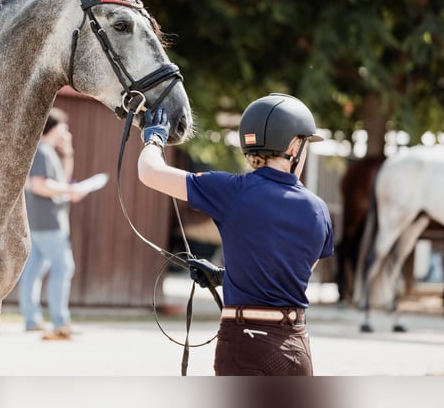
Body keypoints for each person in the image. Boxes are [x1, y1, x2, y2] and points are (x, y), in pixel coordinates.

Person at [138, 93, 334, 375]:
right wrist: (223, 277)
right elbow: (291, 273)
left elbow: (149, 171)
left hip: (245, 343)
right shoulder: (319, 210)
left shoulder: (230, 191)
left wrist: (154, 138)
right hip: (294, 344)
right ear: (294, 147)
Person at [18, 107, 88, 340]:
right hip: (49, 222)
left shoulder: (46, 152)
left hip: (43, 221)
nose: (66, 133)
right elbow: (39, 185)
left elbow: (62, 180)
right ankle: (60, 320)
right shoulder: (42, 153)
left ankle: (32, 319)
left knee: (36, 268)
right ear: (55, 127)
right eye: (63, 128)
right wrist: (70, 190)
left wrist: (68, 153)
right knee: (64, 267)